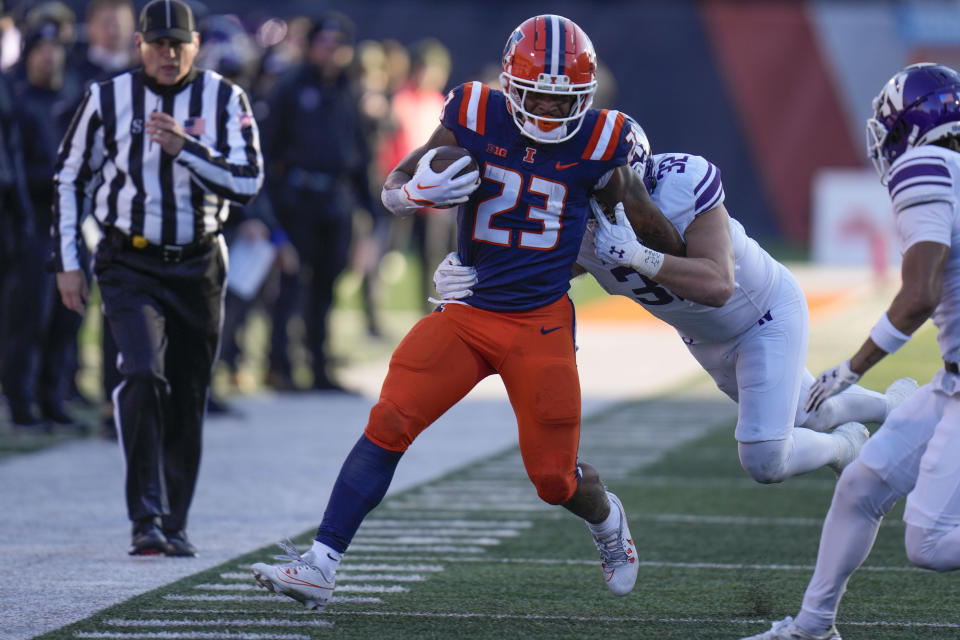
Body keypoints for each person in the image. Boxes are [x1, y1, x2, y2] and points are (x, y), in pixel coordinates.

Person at [251, 14, 686, 611]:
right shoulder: (475, 113)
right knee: (390, 422)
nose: (552, 116)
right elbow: (397, 181)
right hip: (468, 310)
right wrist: (407, 197)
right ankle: (320, 565)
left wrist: (647, 251)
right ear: (512, 85)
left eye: (566, 104)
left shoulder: (601, 141)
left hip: (541, 324)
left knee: (553, 480)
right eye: (538, 98)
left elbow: (642, 226)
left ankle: (608, 521)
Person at [436, 119, 919, 485]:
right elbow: (534, 276)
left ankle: (843, 448)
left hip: (762, 314)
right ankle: (894, 406)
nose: (602, 204)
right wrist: (472, 279)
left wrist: (642, 257)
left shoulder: (682, 184)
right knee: (806, 412)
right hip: (707, 340)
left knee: (765, 457)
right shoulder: (574, 219)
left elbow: (718, 284)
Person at [738, 62, 960, 640]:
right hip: (952, 378)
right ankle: (813, 629)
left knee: (931, 543)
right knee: (861, 486)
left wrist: (852, 368)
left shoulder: (926, 165)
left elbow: (920, 295)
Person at [52, 0, 263, 556]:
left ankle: (175, 519)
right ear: (139, 45)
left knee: (189, 394)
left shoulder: (225, 97)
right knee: (143, 374)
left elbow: (247, 181)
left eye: (178, 44)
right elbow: (70, 176)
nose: (168, 54)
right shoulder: (107, 98)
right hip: (130, 260)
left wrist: (185, 147)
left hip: (198, 261)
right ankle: (145, 515)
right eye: (157, 43)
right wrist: (68, 261)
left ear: (195, 45)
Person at [259, 11, 375, 392]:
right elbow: (268, 150)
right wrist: (271, 210)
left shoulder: (348, 90)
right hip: (297, 197)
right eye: (325, 43)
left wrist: (369, 209)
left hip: (336, 201)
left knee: (327, 285)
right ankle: (280, 366)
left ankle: (319, 365)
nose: (332, 51)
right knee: (292, 284)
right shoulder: (290, 87)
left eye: (339, 44)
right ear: (311, 46)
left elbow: (359, 153)